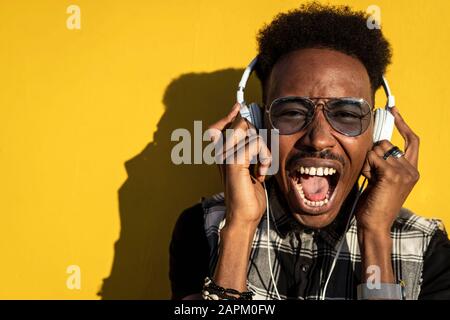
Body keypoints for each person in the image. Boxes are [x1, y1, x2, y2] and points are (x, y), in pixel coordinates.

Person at [169, 2, 450, 300]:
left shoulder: (425, 247)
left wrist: (375, 234)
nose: (318, 140)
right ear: (258, 125)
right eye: (291, 112)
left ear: (379, 132)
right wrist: (239, 229)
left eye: (346, 114)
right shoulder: (203, 228)